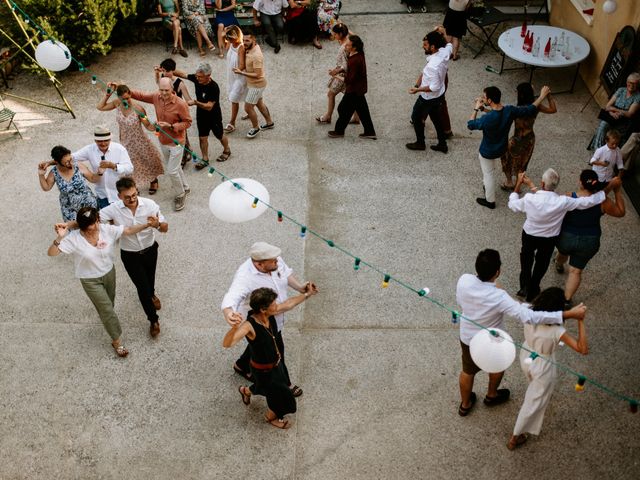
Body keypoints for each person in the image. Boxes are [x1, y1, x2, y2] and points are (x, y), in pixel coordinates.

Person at [456, 249, 587, 417]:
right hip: (493, 340)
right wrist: (568, 314)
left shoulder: (464, 280)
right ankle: (491, 395)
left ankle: (465, 404)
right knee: (497, 366)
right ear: (498, 272)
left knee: (467, 370)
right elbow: (529, 316)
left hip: (468, 336)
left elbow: (461, 301)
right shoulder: (499, 296)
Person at [48, 206, 158, 357]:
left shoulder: (106, 230)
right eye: (85, 226)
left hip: (108, 273)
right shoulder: (74, 239)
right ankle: (117, 341)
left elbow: (128, 231)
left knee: (109, 305)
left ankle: (107, 319)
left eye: (92, 224)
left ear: (98, 221)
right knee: (107, 309)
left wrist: (147, 225)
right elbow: (52, 253)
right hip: (89, 280)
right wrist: (60, 237)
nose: (89, 229)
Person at [221, 241, 318, 398]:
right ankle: (285, 383)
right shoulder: (245, 277)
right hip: (260, 321)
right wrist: (228, 313)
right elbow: (232, 296)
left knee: (257, 345)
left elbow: (285, 274)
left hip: (273, 315)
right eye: (273, 261)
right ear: (259, 264)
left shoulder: (273, 260)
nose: (278, 262)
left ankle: (241, 365)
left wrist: (301, 288)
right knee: (277, 350)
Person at [223, 287, 317, 428]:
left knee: (263, 388)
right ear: (262, 308)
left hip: (276, 366)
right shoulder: (249, 326)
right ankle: (270, 418)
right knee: (282, 398)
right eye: (273, 303)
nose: (276, 305)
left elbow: (289, 304)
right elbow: (227, 343)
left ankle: (245, 390)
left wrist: (307, 294)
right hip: (263, 371)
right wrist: (234, 327)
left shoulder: (269, 314)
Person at [508, 169, 608, 302]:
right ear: (556, 185)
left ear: (542, 184)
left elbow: (513, 205)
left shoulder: (529, 199)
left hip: (529, 235)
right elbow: (586, 202)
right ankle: (534, 288)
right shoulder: (564, 201)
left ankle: (524, 286)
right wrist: (603, 193)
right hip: (549, 239)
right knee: (541, 263)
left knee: (526, 259)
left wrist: (518, 185)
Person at [508, 287, 588, 450]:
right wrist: (580, 320)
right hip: (543, 364)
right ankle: (515, 436)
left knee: (532, 383)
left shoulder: (527, 311)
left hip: (527, 353)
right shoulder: (556, 330)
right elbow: (582, 349)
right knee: (533, 402)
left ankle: (521, 426)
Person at [100, 177, 169, 337]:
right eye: (127, 197)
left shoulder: (150, 205)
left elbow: (165, 228)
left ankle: (152, 294)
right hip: (130, 255)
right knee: (142, 288)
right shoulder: (113, 209)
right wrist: (110, 228)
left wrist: (157, 224)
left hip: (150, 249)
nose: (132, 199)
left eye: (134, 195)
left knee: (150, 279)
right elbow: (95, 220)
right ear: (119, 196)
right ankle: (153, 320)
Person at [468, 85, 551, 209]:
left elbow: (470, 125)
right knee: (489, 171)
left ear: (489, 100)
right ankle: (489, 185)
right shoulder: (509, 110)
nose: (482, 98)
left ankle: (490, 201)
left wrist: (475, 109)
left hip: (488, 151)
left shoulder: (486, 119)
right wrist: (542, 96)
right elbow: (530, 109)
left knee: (488, 174)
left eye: (484, 97)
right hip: (502, 148)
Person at [554, 172, 625, 304]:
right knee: (575, 271)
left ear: (580, 182)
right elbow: (620, 212)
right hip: (590, 240)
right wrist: (617, 191)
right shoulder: (603, 202)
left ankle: (559, 263)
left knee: (563, 251)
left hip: (566, 237)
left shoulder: (569, 197)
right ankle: (567, 300)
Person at [128, 78, 192, 211]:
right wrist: (122, 88)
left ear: (172, 89)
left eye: (166, 90)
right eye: (161, 90)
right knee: (175, 167)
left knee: (172, 170)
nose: (163, 93)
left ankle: (181, 194)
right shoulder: (157, 97)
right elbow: (140, 95)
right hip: (163, 140)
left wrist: (171, 126)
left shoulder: (180, 104)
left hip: (177, 142)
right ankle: (186, 187)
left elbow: (188, 122)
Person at [97, 84, 165, 196]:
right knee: (129, 164)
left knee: (146, 160)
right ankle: (134, 185)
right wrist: (107, 95)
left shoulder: (138, 109)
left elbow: (148, 126)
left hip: (139, 140)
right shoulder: (117, 104)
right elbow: (100, 107)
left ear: (130, 95)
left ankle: (153, 180)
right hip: (125, 141)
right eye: (123, 99)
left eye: (128, 98)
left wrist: (156, 126)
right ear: (118, 98)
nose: (126, 101)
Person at [500, 82, 557, 190]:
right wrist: (548, 96)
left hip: (516, 140)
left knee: (507, 159)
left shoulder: (516, 109)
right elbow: (553, 110)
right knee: (522, 164)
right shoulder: (536, 106)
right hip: (529, 140)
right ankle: (517, 187)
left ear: (521, 95)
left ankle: (509, 182)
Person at [175, 62, 232, 166]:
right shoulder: (196, 78)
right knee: (202, 137)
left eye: (200, 77)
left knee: (219, 135)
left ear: (208, 75)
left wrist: (196, 102)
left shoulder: (214, 87)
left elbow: (209, 106)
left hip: (213, 116)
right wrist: (168, 70)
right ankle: (205, 159)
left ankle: (227, 150)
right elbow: (183, 74)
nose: (198, 78)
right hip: (201, 115)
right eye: (197, 76)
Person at [405, 30, 450, 154]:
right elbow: (449, 45)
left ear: (433, 47)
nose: (422, 46)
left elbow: (433, 87)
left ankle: (420, 143)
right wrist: (443, 33)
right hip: (439, 95)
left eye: (425, 45)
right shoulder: (444, 51)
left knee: (416, 117)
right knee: (436, 119)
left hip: (428, 98)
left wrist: (417, 89)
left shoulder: (433, 66)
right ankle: (442, 144)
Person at [72, 126, 134, 209]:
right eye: (99, 141)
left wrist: (113, 166)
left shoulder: (119, 149)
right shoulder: (90, 149)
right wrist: (51, 162)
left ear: (110, 139)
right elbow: (70, 158)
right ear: (95, 140)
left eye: (106, 140)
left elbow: (129, 168)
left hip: (120, 194)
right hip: (102, 195)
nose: (103, 143)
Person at [328, 35, 377, 140]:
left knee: (343, 109)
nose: (345, 46)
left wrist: (335, 76)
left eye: (348, 45)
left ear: (354, 47)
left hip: (354, 90)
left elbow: (349, 80)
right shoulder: (358, 54)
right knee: (363, 111)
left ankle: (339, 131)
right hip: (359, 89)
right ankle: (370, 131)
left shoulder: (355, 61)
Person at [38, 145, 99, 222]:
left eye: (70, 159)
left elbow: (93, 178)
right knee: (74, 231)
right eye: (66, 162)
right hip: (69, 208)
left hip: (88, 203)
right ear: (57, 162)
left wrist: (100, 173)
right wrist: (41, 175)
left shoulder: (78, 166)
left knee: (92, 227)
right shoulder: (54, 173)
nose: (70, 163)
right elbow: (46, 187)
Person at [315, 22, 358, 125]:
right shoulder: (349, 40)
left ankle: (327, 117)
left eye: (335, 34)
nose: (333, 36)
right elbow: (354, 35)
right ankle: (356, 117)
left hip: (342, 76)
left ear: (340, 35)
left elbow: (346, 66)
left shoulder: (343, 48)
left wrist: (335, 71)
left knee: (331, 94)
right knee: (354, 97)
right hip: (348, 75)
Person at [233, 33, 275, 139]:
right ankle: (269, 123)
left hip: (256, 85)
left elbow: (258, 74)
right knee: (260, 104)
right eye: (244, 40)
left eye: (247, 41)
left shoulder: (256, 55)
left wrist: (241, 72)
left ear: (254, 40)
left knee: (248, 108)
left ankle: (255, 128)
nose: (245, 43)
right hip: (254, 84)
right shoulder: (252, 47)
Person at [154, 58, 193, 168]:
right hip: (167, 110)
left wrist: (194, 102)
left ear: (173, 70)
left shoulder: (180, 83)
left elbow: (188, 99)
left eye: (167, 71)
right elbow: (158, 84)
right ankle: (178, 152)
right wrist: (157, 73)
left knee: (181, 136)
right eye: (164, 71)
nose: (165, 74)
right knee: (168, 133)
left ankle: (184, 156)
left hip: (178, 112)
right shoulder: (163, 78)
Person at [589, 72, 640, 150]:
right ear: (627, 82)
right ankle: (598, 149)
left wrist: (615, 110)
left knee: (608, 126)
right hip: (612, 116)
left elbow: (630, 113)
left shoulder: (638, 96)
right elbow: (608, 106)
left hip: (624, 120)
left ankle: (603, 151)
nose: (632, 85)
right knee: (603, 124)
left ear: (638, 85)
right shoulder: (621, 90)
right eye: (630, 83)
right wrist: (611, 113)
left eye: (635, 84)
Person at [222, 25, 247, 134]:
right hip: (232, 75)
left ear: (237, 36)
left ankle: (232, 123)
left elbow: (242, 65)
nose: (229, 40)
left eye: (231, 38)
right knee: (246, 95)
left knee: (233, 99)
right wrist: (223, 36)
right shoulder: (231, 43)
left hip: (240, 76)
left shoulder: (241, 47)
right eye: (228, 38)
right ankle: (250, 111)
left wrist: (237, 70)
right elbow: (225, 47)